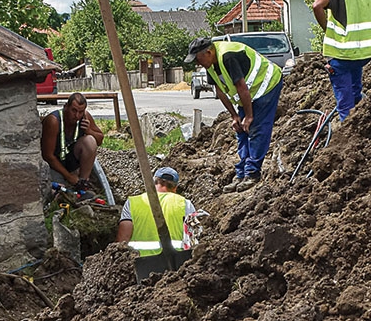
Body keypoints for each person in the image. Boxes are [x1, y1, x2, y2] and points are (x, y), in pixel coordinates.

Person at [185, 36, 283, 192]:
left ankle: (252, 173)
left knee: (256, 128)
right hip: (248, 95)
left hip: (267, 85)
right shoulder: (210, 64)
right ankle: (241, 173)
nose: (197, 63)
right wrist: (235, 116)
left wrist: (249, 116)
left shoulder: (227, 56)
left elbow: (241, 86)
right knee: (241, 130)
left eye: (197, 59)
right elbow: (219, 90)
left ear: (208, 52)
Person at [116, 167, 197, 256]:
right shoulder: (185, 204)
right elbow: (193, 240)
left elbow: (123, 239)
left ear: (152, 182)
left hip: (139, 262)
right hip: (176, 264)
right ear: (175, 188)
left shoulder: (132, 202)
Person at [41, 92, 104, 194]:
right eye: (73, 110)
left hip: (71, 160)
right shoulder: (54, 121)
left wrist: (89, 131)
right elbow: (48, 156)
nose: (76, 115)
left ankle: (83, 183)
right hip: (54, 164)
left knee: (90, 141)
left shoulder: (85, 117)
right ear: (66, 107)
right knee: (57, 191)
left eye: (80, 112)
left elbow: (100, 140)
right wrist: (69, 177)